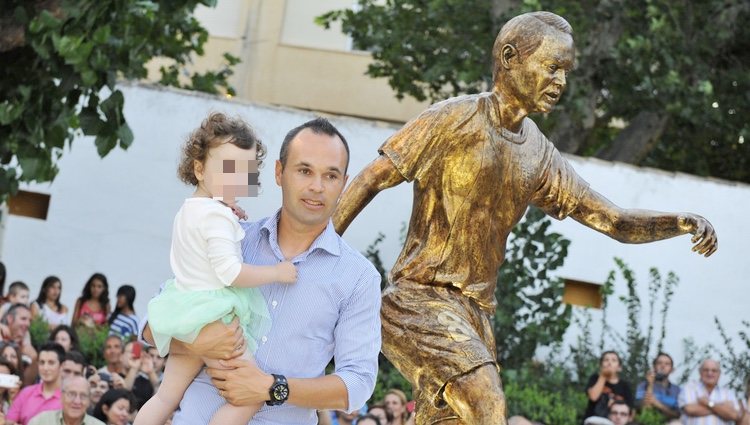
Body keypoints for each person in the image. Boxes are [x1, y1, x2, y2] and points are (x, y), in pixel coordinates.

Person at [332, 10, 718, 425]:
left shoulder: (540, 153)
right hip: (419, 300)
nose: (561, 82)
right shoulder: (452, 118)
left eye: (566, 72)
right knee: (487, 405)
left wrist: (678, 221)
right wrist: (321, 251)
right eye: (552, 67)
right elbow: (372, 178)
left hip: (474, 313)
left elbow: (614, 220)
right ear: (510, 57)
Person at [142, 117, 382, 424]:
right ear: (280, 173)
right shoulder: (232, 238)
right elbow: (151, 327)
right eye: (304, 170)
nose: (317, 187)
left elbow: (358, 383)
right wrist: (195, 343)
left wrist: (272, 388)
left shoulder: (359, 278)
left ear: (343, 183)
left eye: (331, 176)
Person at [134, 113, 298, 425]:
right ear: (199, 169)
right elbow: (231, 273)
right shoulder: (218, 217)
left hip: (182, 311)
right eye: (228, 169)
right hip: (214, 319)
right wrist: (277, 272)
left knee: (166, 397)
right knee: (251, 395)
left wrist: (225, 209)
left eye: (245, 172)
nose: (237, 179)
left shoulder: (190, 209)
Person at [7, 342, 65, 425]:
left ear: (62, 366)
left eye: (51, 363)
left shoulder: (68, 398)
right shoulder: (26, 393)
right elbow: (9, 422)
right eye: (42, 362)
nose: (45, 368)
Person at [679, 358, 741, 424]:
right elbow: (690, 410)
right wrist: (722, 408)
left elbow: (734, 415)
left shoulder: (727, 393)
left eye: (714, 371)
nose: (709, 373)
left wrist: (708, 403)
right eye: (706, 370)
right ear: (700, 372)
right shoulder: (690, 388)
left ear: (719, 374)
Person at [27, 375, 105, 425]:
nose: (77, 401)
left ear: (88, 402)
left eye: (83, 396)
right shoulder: (41, 421)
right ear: (61, 397)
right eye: (71, 394)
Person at [584, 351, 634, 421]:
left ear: (619, 367)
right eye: (606, 360)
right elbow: (593, 397)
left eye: (613, 360)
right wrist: (603, 376)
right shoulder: (595, 378)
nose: (609, 363)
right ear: (601, 365)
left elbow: (630, 410)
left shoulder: (625, 385)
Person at [634, 352, 680, 423]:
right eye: (659, 363)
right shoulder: (643, 385)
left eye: (667, 364)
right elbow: (640, 408)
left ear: (672, 370)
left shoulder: (677, 390)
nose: (663, 366)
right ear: (654, 367)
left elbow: (677, 414)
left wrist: (658, 404)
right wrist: (650, 384)